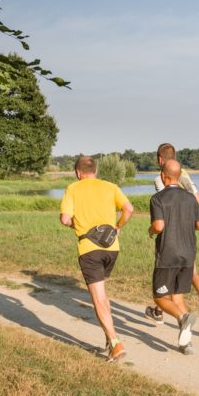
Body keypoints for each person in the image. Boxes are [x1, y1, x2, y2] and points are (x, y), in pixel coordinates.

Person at [60, 155, 134, 362]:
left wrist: (75, 224)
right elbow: (129, 209)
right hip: (112, 249)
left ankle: (115, 342)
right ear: (95, 171)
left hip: (89, 249)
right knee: (102, 295)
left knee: (98, 298)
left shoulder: (73, 188)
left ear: (77, 172)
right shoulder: (110, 186)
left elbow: (65, 219)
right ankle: (109, 339)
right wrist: (117, 227)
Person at [144, 142, 199, 332]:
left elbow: (164, 210)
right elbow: (197, 199)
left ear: (160, 161)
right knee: (184, 283)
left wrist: (152, 230)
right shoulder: (184, 174)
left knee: (166, 290)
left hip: (171, 241)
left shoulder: (159, 181)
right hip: (187, 238)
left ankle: (163, 312)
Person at [148, 159, 199, 354]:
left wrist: (150, 230)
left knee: (160, 297)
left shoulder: (158, 198)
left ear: (163, 177)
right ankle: (185, 343)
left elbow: (158, 226)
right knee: (177, 297)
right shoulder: (191, 198)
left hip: (168, 255)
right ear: (179, 177)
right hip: (188, 254)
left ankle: (183, 318)